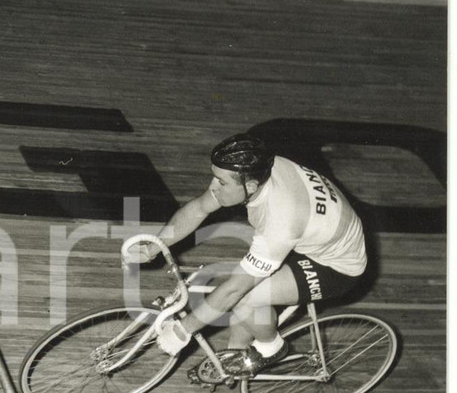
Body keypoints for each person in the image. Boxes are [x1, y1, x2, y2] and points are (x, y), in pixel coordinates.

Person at [122, 133, 367, 375]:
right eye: (214, 176)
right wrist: (154, 247)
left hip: (335, 266)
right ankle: (236, 353)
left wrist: (182, 330)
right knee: (241, 294)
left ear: (250, 186)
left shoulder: (280, 223)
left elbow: (234, 291)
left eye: (221, 183)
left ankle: (271, 348)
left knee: (245, 297)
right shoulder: (258, 170)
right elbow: (198, 208)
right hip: (313, 233)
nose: (213, 187)